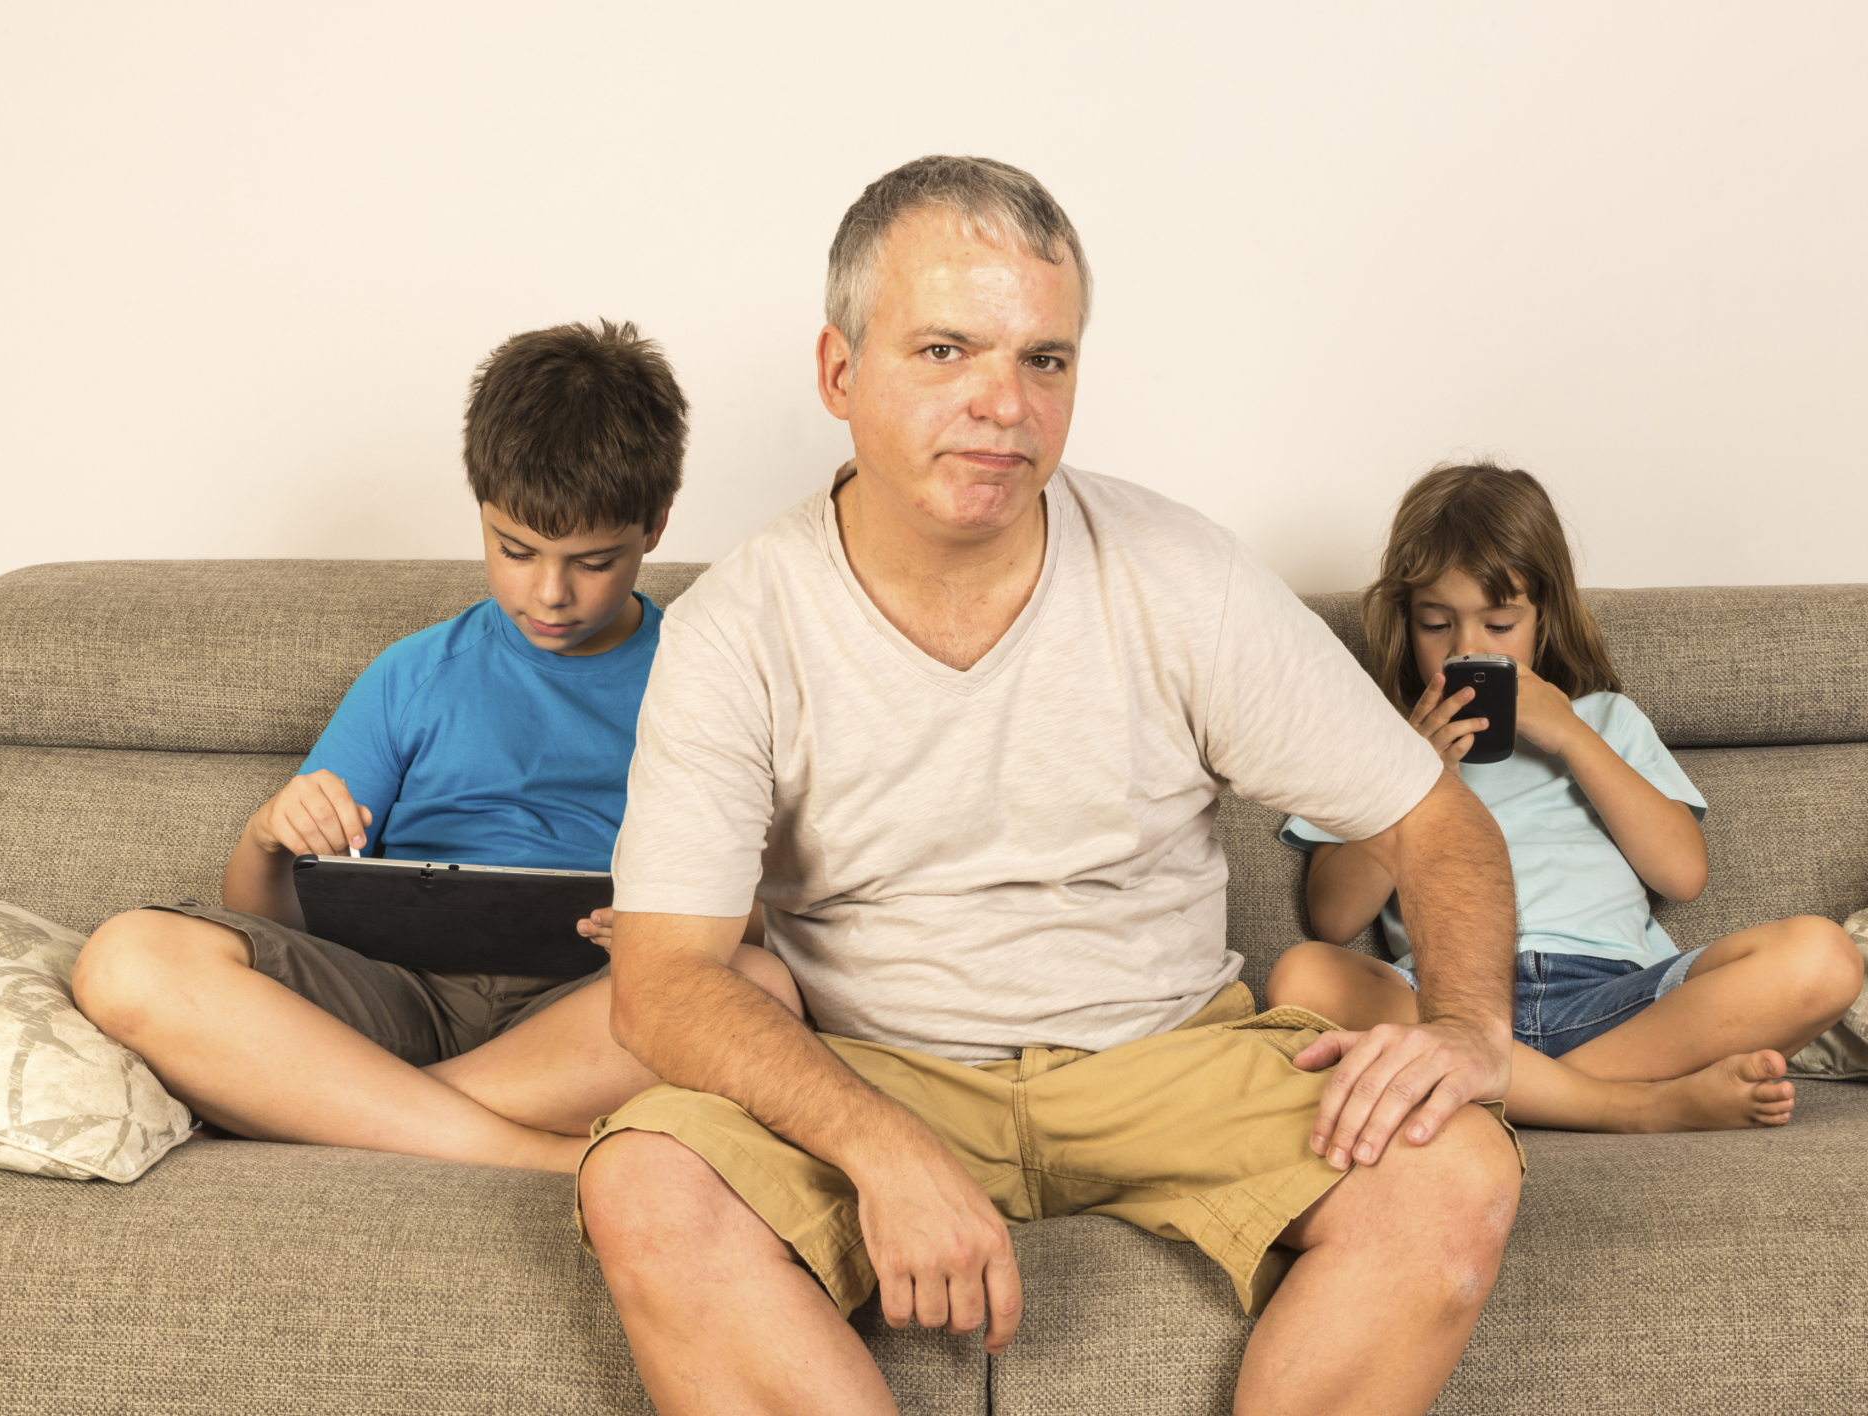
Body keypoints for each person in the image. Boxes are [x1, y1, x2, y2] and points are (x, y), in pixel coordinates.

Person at [576, 156, 1524, 1416]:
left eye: (1045, 360)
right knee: (644, 1182)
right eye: (945, 351)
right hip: (878, 1062)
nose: (1003, 406)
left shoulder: (1182, 574)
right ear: (839, 372)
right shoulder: (736, 627)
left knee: (1456, 1168)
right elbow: (663, 982)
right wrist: (877, 1144)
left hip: (1167, 1058)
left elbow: (1435, 816)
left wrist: (1468, 1030)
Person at [72, 320, 800, 1173]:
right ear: (482, 515)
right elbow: (266, 916)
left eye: (593, 561)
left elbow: (763, 910)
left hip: (594, 1009)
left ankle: (333, 1101)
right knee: (128, 958)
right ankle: (530, 1151)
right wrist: (269, 833)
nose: (550, 594)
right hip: (395, 991)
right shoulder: (414, 674)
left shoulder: (713, 676)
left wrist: (667, 930)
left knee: (760, 991)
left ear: (656, 525)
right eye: (515, 550)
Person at [1266, 462, 1864, 1133]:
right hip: (1445, 1004)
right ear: (1404, 623)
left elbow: (1681, 873)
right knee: (1301, 976)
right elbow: (1334, 918)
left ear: (1542, 619)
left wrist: (1570, 735)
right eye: (1436, 623)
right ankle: (1630, 1104)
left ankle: (1528, 1092)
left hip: (1613, 996)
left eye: (1498, 625)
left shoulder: (1605, 719)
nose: (1466, 649)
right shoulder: (1375, 741)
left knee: (1823, 957)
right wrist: (1412, 774)